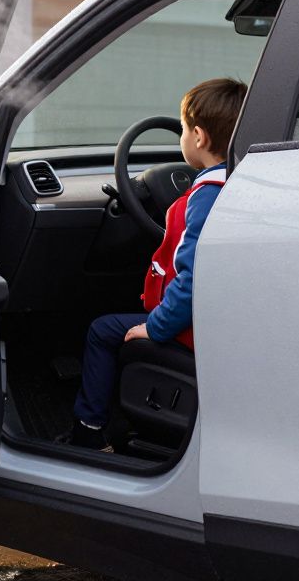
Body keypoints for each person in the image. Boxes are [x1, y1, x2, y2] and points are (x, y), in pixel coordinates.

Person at [68, 78, 247, 452]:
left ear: (198, 137)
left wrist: (156, 327)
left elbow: (194, 278)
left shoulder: (204, 198)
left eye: (182, 130)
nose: (181, 137)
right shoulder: (240, 183)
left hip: (188, 329)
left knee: (102, 330)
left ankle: (89, 431)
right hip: (223, 324)